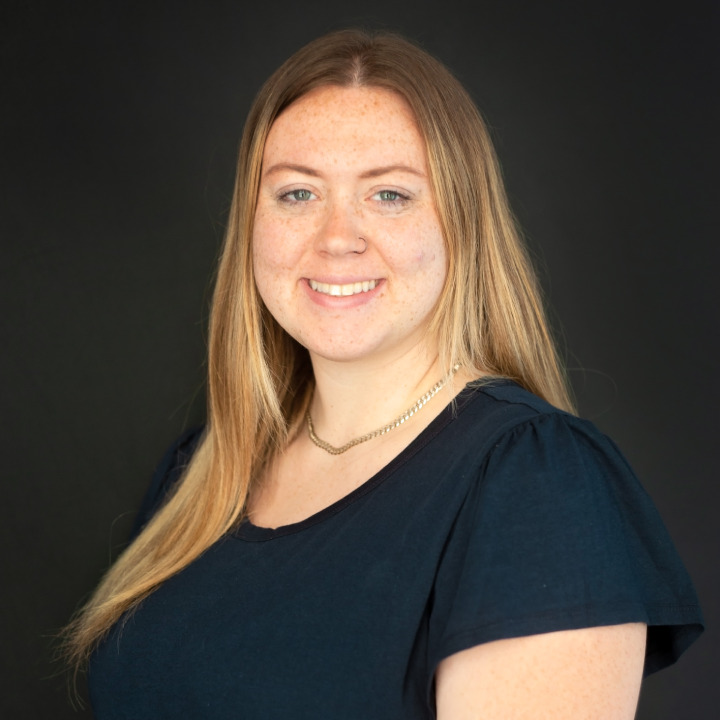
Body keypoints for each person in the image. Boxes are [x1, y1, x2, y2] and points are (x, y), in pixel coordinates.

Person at [65, 29, 703, 718]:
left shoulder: (536, 483)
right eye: (297, 194)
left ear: (462, 222)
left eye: (390, 195)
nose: (338, 237)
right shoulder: (201, 474)